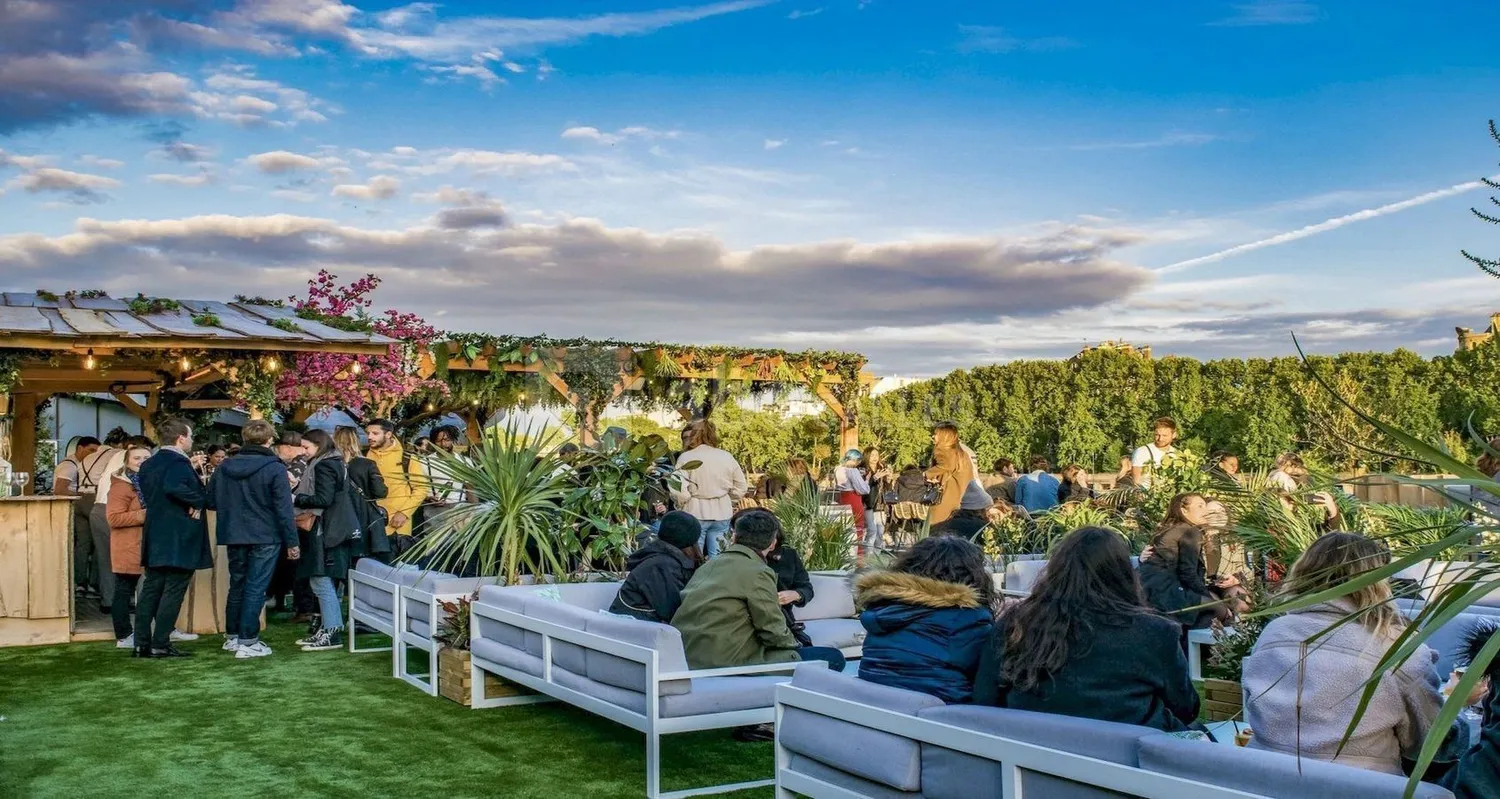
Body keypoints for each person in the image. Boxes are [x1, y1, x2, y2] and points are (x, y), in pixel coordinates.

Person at [1243, 532, 1473, 775]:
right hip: (1359, 786)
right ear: (1379, 580)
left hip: (1265, 780)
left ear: (1303, 572)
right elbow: (1434, 743)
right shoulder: (1393, 645)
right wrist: (1459, 704)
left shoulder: (1274, 633)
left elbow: (1254, 707)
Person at [974, 527, 1200, 731]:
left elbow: (985, 698)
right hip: (1128, 763)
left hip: (1033, 762)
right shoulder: (1155, 632)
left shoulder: (1016, 624)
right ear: (1123, 574)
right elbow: (1186, 707)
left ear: (1056, 570)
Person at [672, 509, 846, 672]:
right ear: (772, 543)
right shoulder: (758, 571)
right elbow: (773, 631)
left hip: (689, 656)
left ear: (734, 538)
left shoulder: (709, 565)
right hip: (730, 660)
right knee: (832, 657)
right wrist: (795, 647)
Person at [856, 535, 994, 703]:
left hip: (880, 710)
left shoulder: (883, 610)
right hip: (943, 717)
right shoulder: (967, 621)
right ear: (972, 576)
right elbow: (990, 681)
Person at [211, 420, 297, 659]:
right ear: (270, 440)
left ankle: (233, 636)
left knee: (238, 584)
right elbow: (283, 508)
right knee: (256, 586)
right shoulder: (275, 467)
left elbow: (211, 500)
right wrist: (292, 541)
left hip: (233, 532)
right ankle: (248, 640)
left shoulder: (225, 466)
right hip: (265, 534)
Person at [134, 418, 211, 658]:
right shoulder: (178, 462)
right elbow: (173, 487)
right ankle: (160, 642)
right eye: (189, 436)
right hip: (179, 533)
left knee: (150, 589)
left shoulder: (149, 463)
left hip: (155, 530)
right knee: (173, 589)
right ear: (181, 438)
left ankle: (141, 643)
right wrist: (199, 500)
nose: (191, 440)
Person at [293, 429, 361, 652]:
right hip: (330, 527)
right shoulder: (334, 462)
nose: (304, 452)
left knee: (321, 579)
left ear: (318, 445)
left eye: (306, 447)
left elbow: (323, 499)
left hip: (324, 528)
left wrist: (296, 497)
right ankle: (328, 628)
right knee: (321, 580)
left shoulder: (324, 465)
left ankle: (331, 632)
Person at [1137, 492, 1237, 631]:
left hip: (1150, 590)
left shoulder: (1173, 529)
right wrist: (1209, 598)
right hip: (1167, 591)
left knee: (1211, 611)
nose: (1205, 510)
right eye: (1200, 506)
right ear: (1184, 511)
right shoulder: (1191, 532)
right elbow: (1187, 573)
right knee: (1222, 611)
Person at [670, 419, 747, 559]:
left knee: (693, 557)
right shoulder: (726, 456)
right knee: (719, 557)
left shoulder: (686, 457)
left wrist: (682, 502)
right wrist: (728, 499)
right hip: (722, 512)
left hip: (695, 510)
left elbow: (678, 488)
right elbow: (741, 486)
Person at [608, 511, 702, 623]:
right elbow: (675, 613)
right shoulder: (662, 565)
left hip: (645, 625)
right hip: (631, 629)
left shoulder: (665, 558)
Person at [104, 443, 151, 648]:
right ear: (127, 462)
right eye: (137, 458)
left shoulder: (147, 481)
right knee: (124, 590)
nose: (142, 462)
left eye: (146, 458)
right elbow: (113, 518)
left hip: (145, 543)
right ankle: (123, 635)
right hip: (128, 544)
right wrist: (145, 515)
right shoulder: (121, 485)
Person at [85, 428, 130, 611]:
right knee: (125, 558)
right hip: (113, 509)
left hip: (96, 505)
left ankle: (107, 600)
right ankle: (126, 601)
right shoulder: (123, 456)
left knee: (102, 556)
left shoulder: (93, 456)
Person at [366, 419, 424, 554]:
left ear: (388, 434)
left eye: (375, 433)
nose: (369, 437)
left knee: (396, 570)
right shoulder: (364, 456)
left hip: (397, 525)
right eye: (368, 433)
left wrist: (404, 513)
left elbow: (421, 489)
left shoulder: (407, 457)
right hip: (370, 523)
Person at [56, 436, 102, 596]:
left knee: (83, 544)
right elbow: (59, 489)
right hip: (78, 505)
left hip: (76, 507)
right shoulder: (69, 466)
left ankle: (80, 584)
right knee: (97, 542)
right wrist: (83, 495)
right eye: (91, 450)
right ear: (80, 448)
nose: (94, 454)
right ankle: (92, 584)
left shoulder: (79, 464)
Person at [336, 426, 389, 561]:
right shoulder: (367, 464)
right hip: (365, 521)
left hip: (338, 521)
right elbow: (380, 492)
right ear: (356, 442)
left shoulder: (330, 465)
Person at [765, 517, 814, 647]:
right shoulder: (742, 560)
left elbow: (806, 588)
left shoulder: (788, 555)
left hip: (783, 619)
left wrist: (796, 594)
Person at [925, 422, 979, 527]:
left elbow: (946, 466)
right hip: (962, 501)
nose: (933, 436)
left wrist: (926, 474)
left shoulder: (942, 450)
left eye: (936, 434)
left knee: (936, 533)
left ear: (944, 436)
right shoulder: (961, 453)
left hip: (945, 503)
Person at [834, 448, 871, 543]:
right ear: (855, 460)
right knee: (858, 526)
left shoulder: (837, 469)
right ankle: (858, 551)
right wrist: (866, 480)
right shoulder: (852, 471)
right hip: (853, 499)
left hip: (842, 499)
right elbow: (863, 489)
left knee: (845, 526)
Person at [1130, 417, 1179, 488]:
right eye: (1157, 435)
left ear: (1174, 435)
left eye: (1164, 435)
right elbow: (1136, 481)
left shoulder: (1176, 454)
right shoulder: (1142, 452)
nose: (1160, 439)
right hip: (1146, 496)